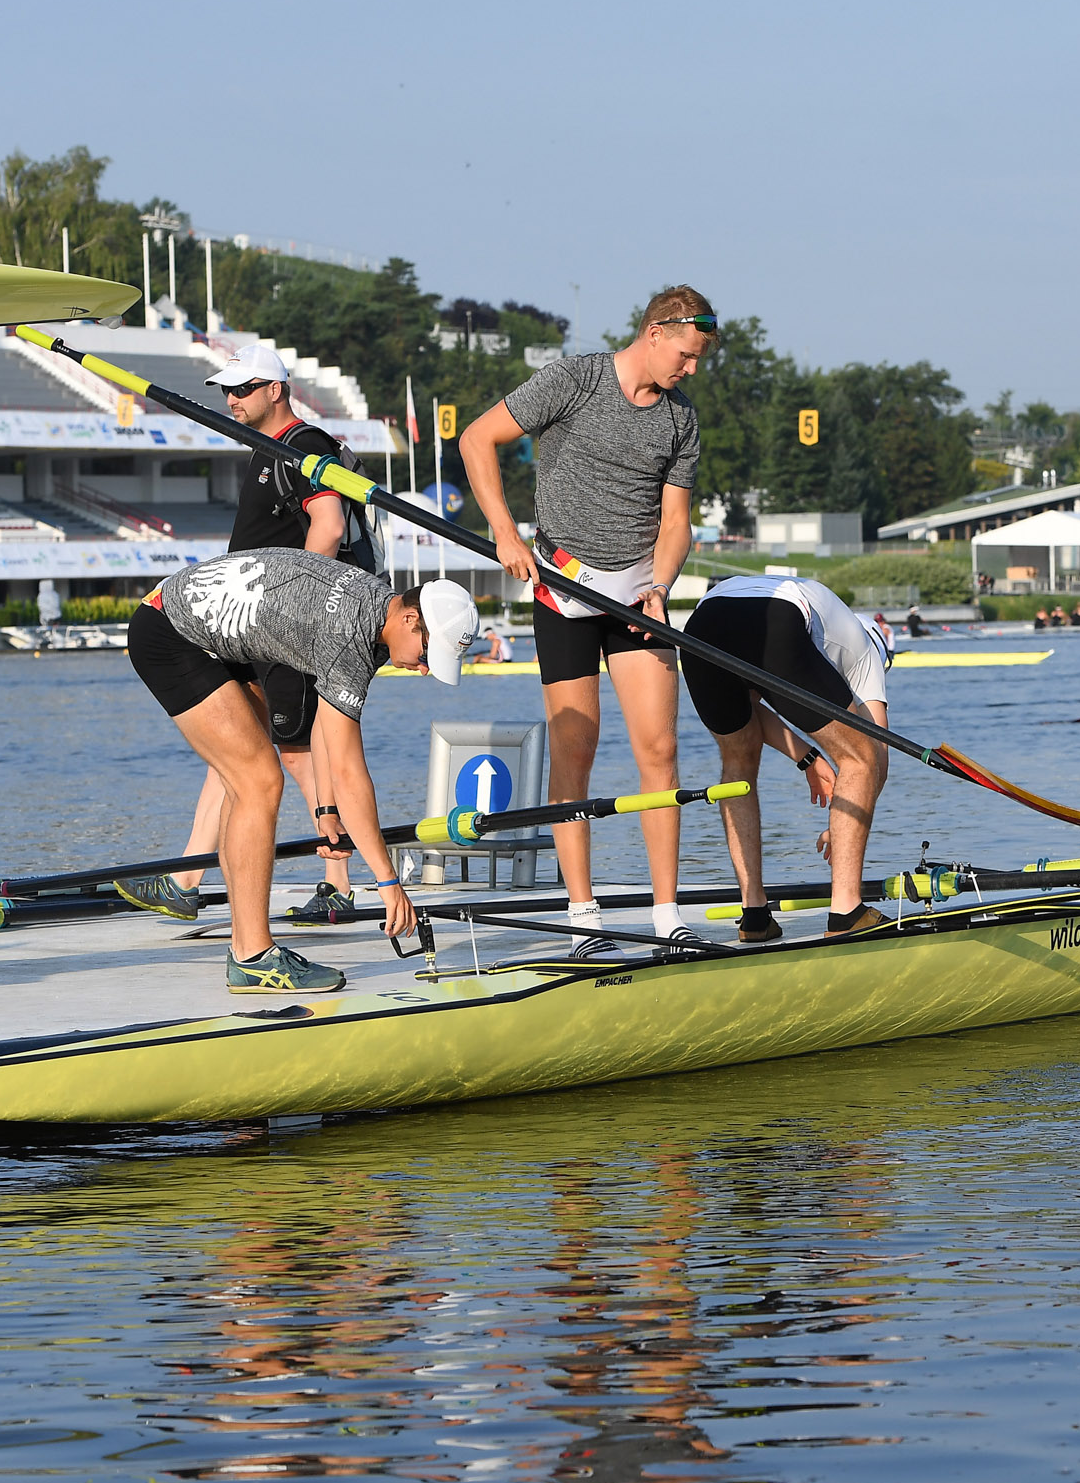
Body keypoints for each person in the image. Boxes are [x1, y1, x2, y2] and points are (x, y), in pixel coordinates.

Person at [458, 286, 715, 944]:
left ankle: (667, 917)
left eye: (698, 361)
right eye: (686, 355)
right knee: (577, 748)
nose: (690, 370)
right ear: (656, 332)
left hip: (635, 598)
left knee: (659, 751)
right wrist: (506, 535)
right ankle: (583, 917)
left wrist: (661, 582)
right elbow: (476, 439)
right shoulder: (575, 380)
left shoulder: (680, 421)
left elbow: (676, 521)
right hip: (562, 591)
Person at [122, 549, 479, 992]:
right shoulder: (350, 636)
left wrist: (325, 807)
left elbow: (329, 734)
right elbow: (352, 773)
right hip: (171, 632)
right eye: (428, 653)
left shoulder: (373, 608)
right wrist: (387, 882)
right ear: (409, 619)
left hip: (203, 626)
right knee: (259, 781)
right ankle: (253, 956)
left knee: (245, 785)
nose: (424, 668)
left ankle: (244, 947)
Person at [116, 343, 367, 925]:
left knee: (300, 753)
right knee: (232, 751)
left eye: (243, 388)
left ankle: (339, 881)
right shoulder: (268, 450)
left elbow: (328, 528)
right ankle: (186, 879)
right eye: (226, 390)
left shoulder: (306, 446)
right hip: (246, 628)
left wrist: (299, 611)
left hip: (280, 627)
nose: (231, 399)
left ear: (274, 391)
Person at [681, 573, 895, 940]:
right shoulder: (869, 652)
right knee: (859, 758)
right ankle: (846, 911)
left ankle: (754, 914)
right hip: (776, 616)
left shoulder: (829, 614)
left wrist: (809, 757)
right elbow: (877, 751)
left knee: (738, 760)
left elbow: (753, 710)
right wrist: (846, 819)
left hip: (702, 625)